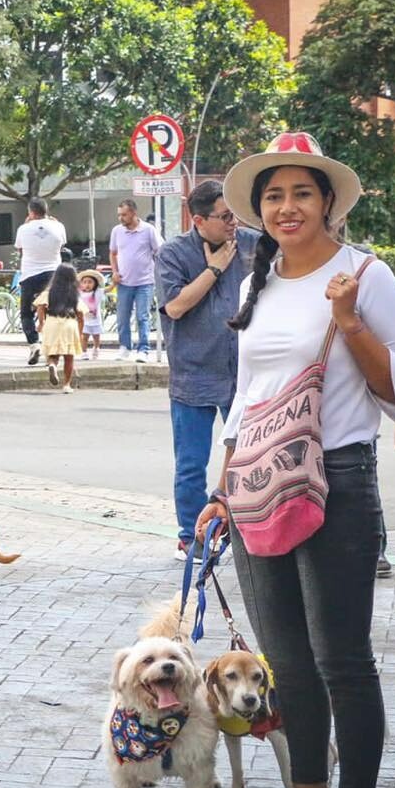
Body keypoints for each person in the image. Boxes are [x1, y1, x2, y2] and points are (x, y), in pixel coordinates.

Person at [195, 132, 395, 788]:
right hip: (259, 485)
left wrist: (351, 321)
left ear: (328, 202)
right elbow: (247, 395)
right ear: (258, 210)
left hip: (338, 481)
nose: (286, 207)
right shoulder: (256, 279)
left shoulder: (366, 275)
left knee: (342, 658)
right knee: (285, 657)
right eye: (272, 195)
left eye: (301, 192)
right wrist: (220, 489)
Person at [157, 180, 258, 562]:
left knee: (249, 458)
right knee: (191, 465)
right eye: (224, 216)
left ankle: (247, 531)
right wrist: (214, 269)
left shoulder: (250, 244)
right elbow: (177, 306)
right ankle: (192, 537)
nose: (233, 223)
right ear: (198, 219)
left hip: (242, 375)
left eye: (234, 215)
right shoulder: (173, 254)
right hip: (193, 374)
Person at [15, 198, 67, 366]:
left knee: (26, 313)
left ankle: (34, 344)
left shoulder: (23, 229)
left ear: (31, 212)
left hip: (29, 275)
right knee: (53, 313)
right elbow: (61, 246)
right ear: (46, 210)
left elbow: (20, 248)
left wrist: (27, 225)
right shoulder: (58, 226)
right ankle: (51, 352)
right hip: (53, 274)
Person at [109, 199, 162, 362]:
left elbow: (159, 251)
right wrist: (115, 272)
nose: (121, 218)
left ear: (133, 213)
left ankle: (143, 349)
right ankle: (124, 347)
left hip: (144, 282)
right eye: (119, 215)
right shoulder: (117, 231)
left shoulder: (148, 230)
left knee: (142, 316)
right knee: (122, 316)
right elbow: (113, 252)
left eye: (124, 215)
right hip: (124, 282)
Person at [36, 263, 83, 393]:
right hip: (70, 323)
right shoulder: (75, 294)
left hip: (52, 322)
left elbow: (40, 306)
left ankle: (52, 365)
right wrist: (80, 331)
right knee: (69, 357)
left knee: (53, 352)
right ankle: (67, 385)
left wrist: (41, 322)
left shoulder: (49, 292)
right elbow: (80, 314)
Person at [78, 268, 105, 360]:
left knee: (96, 336)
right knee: (84, 336)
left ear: (95, 284)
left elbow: (107, 289)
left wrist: (114, 283)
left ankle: (96, 348)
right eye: (84, 282)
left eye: (90, 282)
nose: (87, 285)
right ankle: (84, 352)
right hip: (84, 320)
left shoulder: (97, 293)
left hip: (95, 319)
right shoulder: (79, 294)